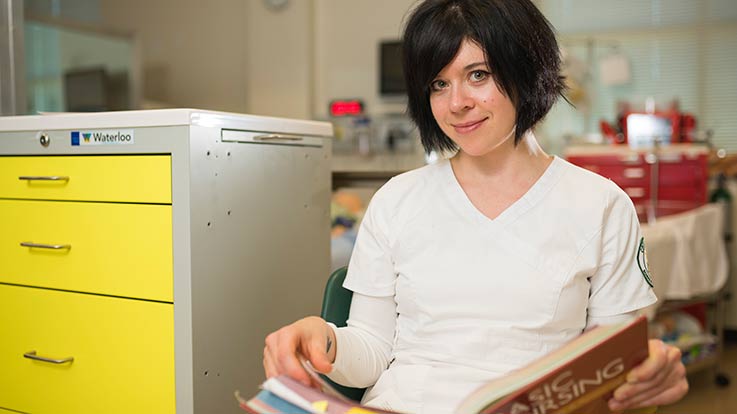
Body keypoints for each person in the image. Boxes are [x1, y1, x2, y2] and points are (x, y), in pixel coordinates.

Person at [263, 0, 688, 412]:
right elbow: (372, 350)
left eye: (478, 75)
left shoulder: (600, 205)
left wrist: (649, 373)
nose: (456, 103)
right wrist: (323, 338)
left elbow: (610, 367)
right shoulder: (397, 200)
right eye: (439, 84)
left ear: (526, 70)